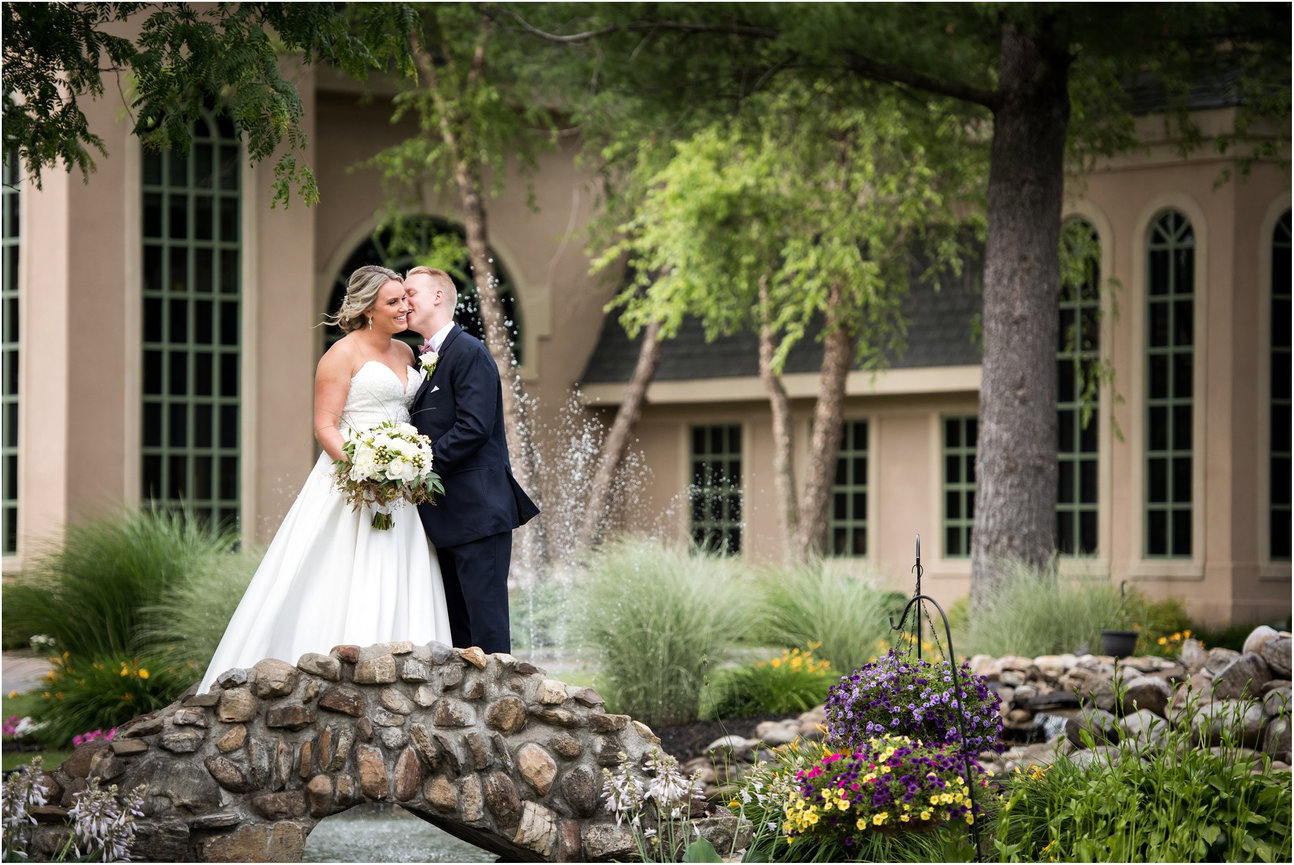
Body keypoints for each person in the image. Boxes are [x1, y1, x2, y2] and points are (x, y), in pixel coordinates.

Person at [198, 266, 451, 692]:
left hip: (401, 487)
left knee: (401, 561)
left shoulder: (408, 355)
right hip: (353, 482)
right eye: (394, 302)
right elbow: (326, 427)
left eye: (405, 299)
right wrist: (363, 468)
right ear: (368, 310)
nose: (405, 306)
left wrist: (402, 466)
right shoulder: (340, 356)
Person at [404, 266, 539, 655]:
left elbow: (474, 427)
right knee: (457, 633)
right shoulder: (425, 359)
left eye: (411, 292)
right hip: (443, 518)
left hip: (478, 514)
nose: (404, 302)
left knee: (487, 633)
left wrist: (419, 469)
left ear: (438, 297)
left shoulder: (470, 352)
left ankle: (503, 711)